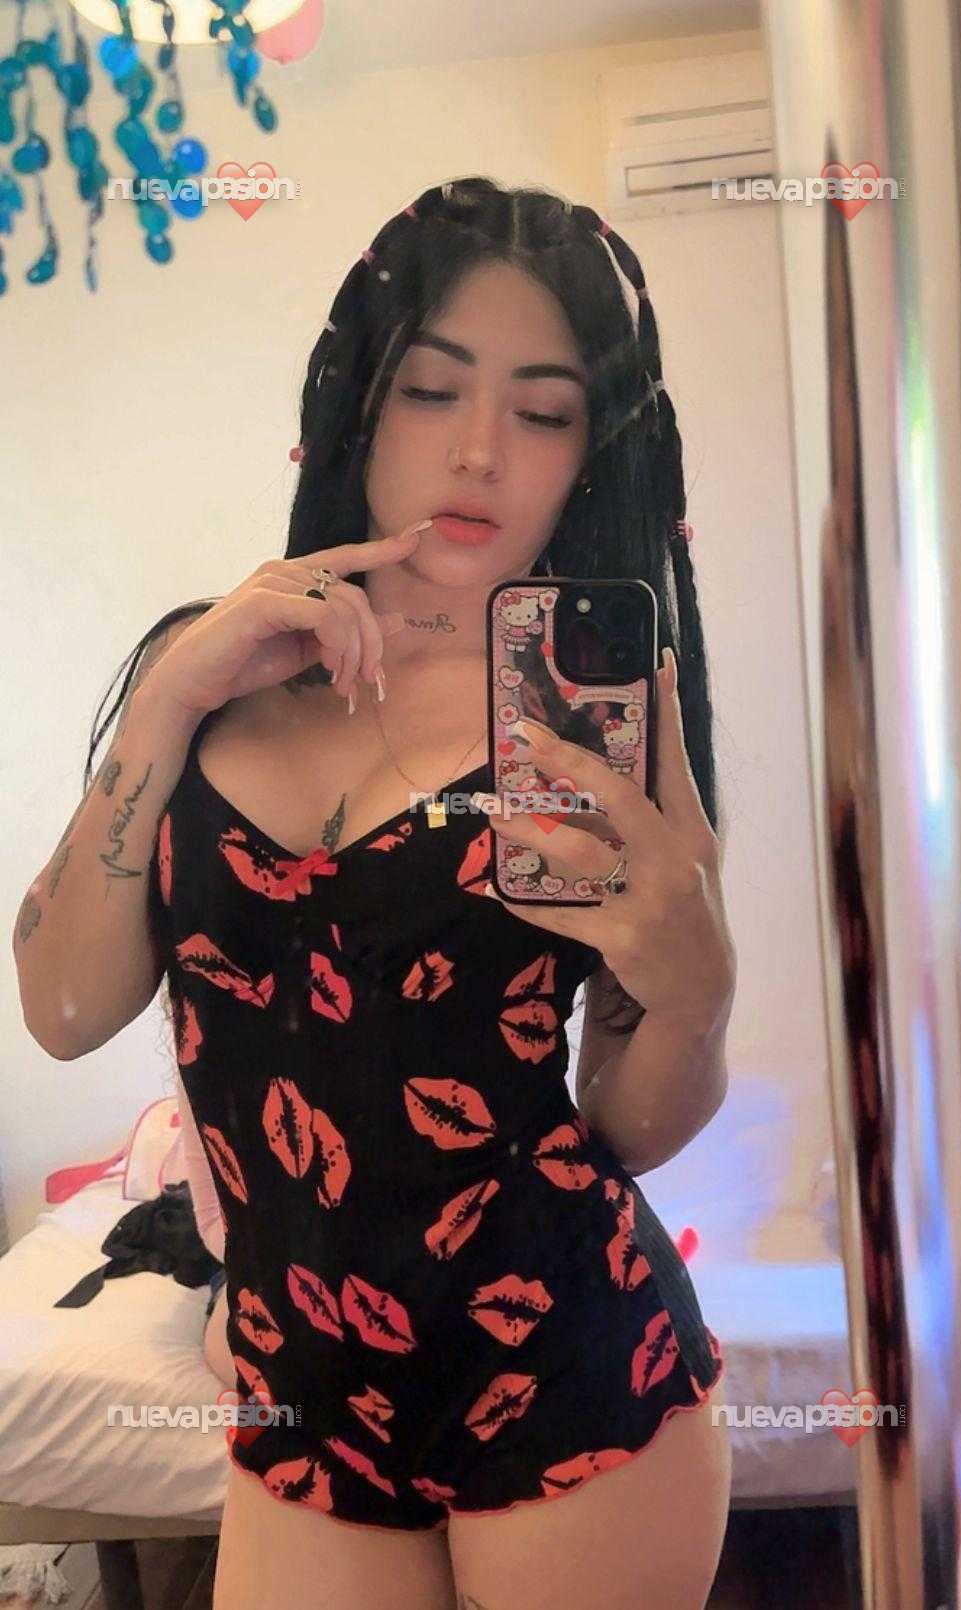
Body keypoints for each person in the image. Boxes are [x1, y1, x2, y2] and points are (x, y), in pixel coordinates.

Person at [14, 177, 737, 1610]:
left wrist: (699, 995)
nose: (479, 450)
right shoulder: (214, 676)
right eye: (431, 390)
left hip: (566, 1364)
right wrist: (166, 700)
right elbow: (63, 1008)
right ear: (359, 403)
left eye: (544, 412)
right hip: (301, 1393)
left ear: (590, 453)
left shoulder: (590, 717)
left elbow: (629, 1129)